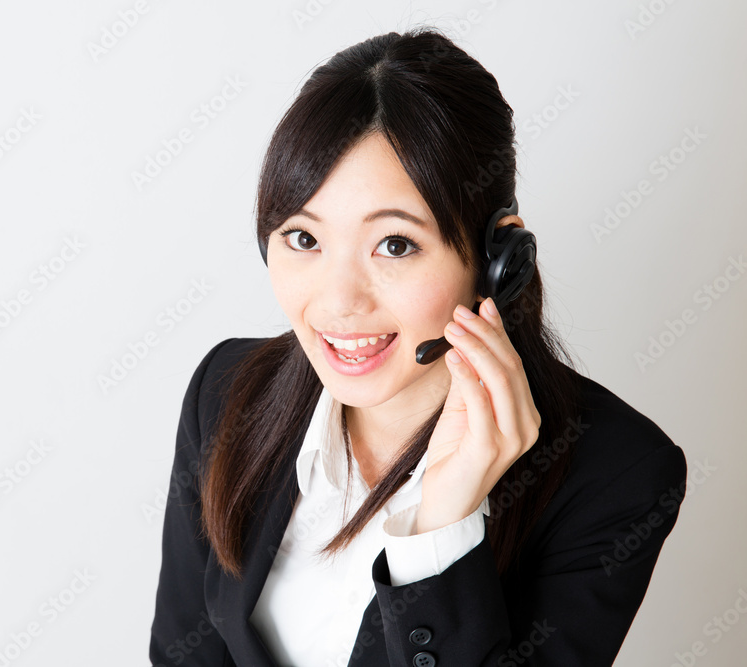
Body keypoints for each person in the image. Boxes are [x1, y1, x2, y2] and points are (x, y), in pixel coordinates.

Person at [149, 27, 687, 666]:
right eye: (303, 239)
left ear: (497, 260)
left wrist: (442, 530)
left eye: (395, 245)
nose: (339, 301)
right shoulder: (226, 391)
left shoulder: (614, 474)